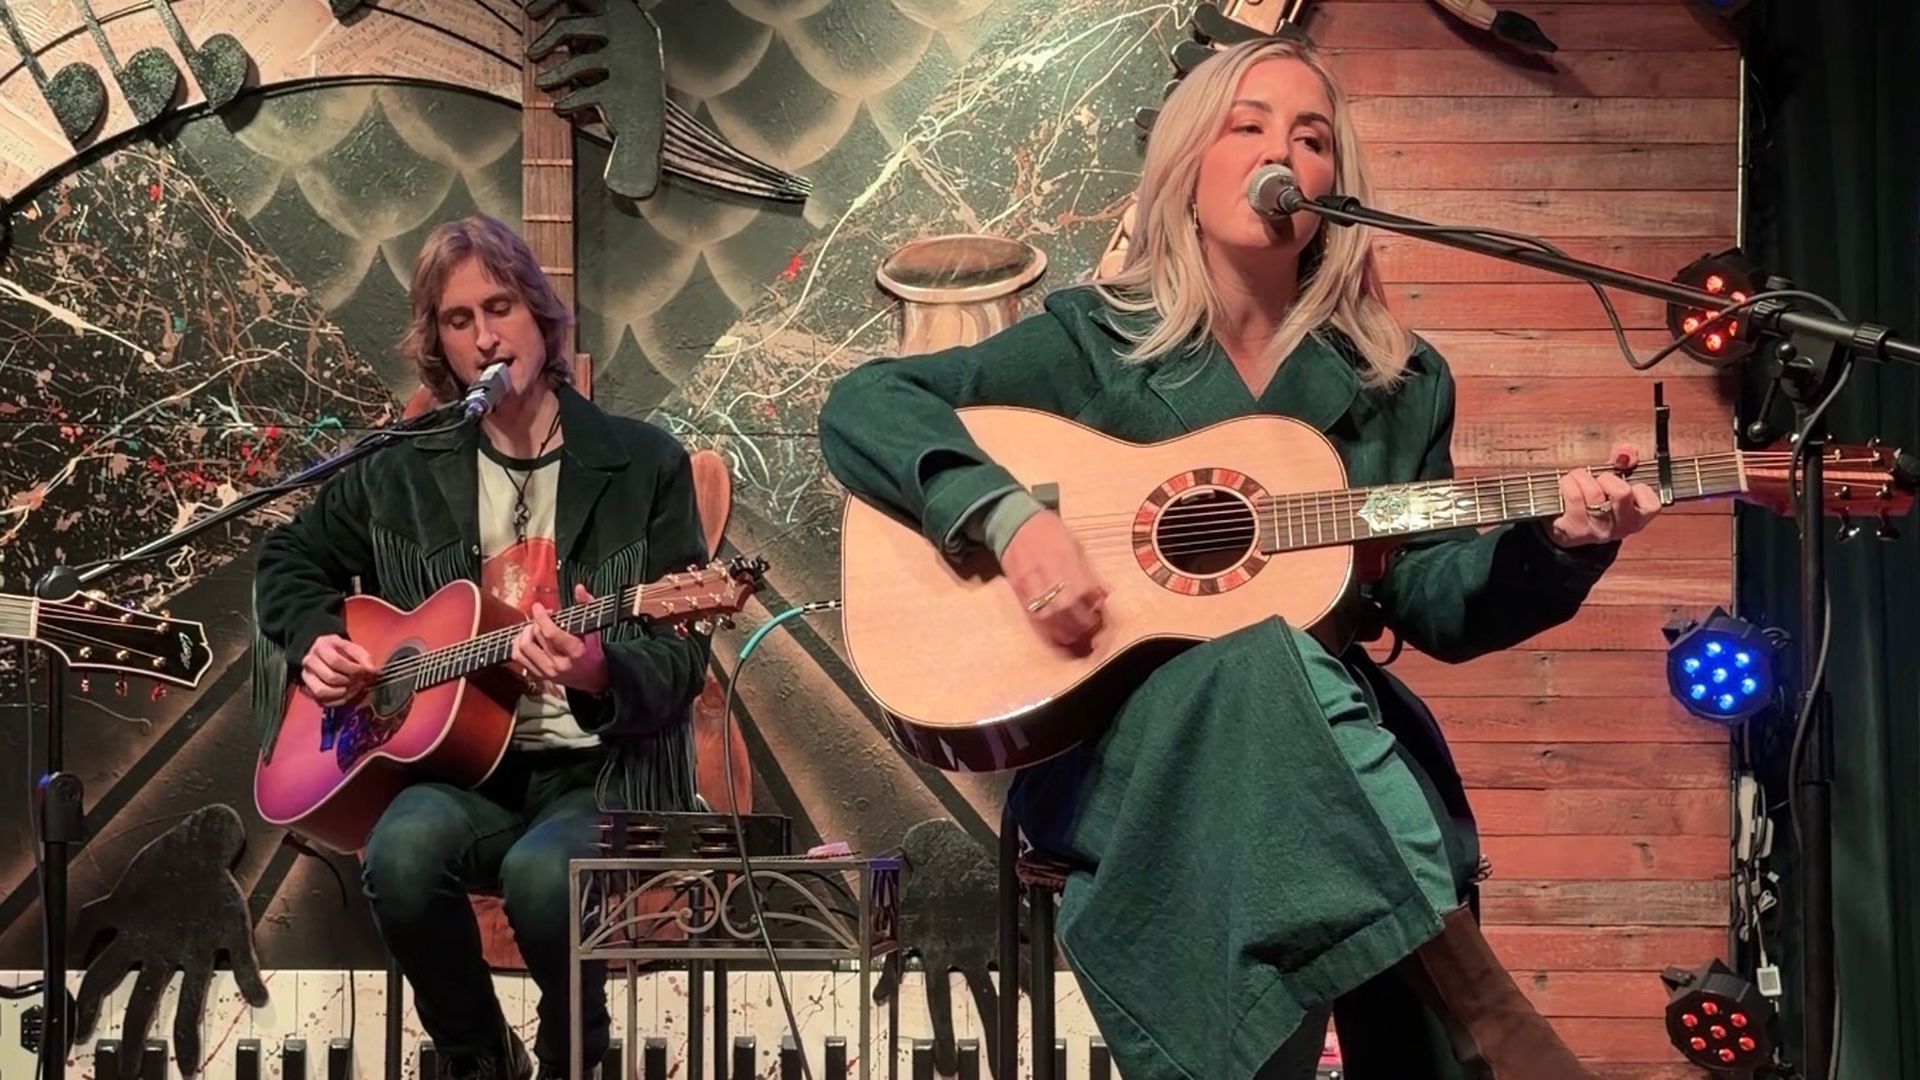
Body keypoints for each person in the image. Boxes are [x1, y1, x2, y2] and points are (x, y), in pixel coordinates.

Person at [819, 37, 1663, 1080]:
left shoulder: (1397, 381)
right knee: (1264, 663)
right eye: (1249, 125)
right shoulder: (1091, 343)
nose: (1283, 153)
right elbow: (865, 404)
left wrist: (1557, 545)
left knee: (1276, 669)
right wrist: (1004, 516)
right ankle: (1475, 995)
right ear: (1187, 162)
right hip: (1130, 756)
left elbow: (1437, 601)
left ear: (1333, 190)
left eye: (1312, 138)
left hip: (1330, 749)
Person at [252, 215, 711, 1080]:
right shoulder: (405, 465)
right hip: (456, 775)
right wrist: (315, 639)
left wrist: (601, 668)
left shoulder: (643, 464)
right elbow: (288, 556)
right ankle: (475, 1056)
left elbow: (683, 658)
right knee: (399, 853)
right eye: (458, 321)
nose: (485, 336)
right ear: (440, 344)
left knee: (545, 884)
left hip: (595, 773)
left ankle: (580, 1053)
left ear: (541, 317)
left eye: (499, 308)